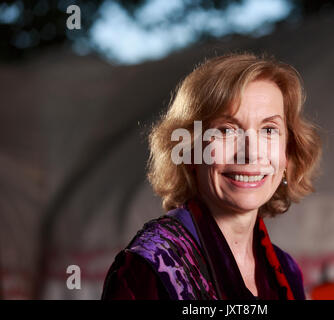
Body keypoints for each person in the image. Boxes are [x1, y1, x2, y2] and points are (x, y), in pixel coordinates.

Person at [101, 53, 322, 300]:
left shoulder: (286, 271)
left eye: (269, 129)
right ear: (189, 150)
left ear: (288, 152)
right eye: (226, 130)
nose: (250, 153)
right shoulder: (148, 268)